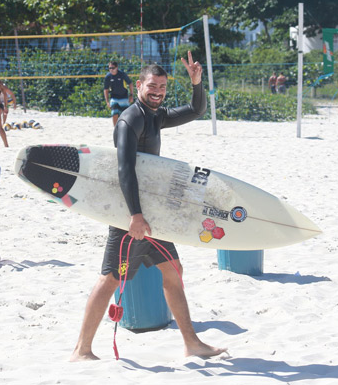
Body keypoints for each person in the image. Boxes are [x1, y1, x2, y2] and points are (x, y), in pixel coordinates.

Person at [71, 52, 227, 362]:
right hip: (130, 215)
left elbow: (196, 109)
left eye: (162, 88)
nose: (157, 93)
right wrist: (135, 216)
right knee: (110, 278)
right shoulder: (131, 119)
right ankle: (81, 350)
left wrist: (197, 83)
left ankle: (191, 343)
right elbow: (124, 170)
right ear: (139, 85)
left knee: (173, 270)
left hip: (151, 214)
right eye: (152, 87)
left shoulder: (155, 115)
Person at [103, 61, 134, 126]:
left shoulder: (122, 74)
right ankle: (116, 129)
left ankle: (125, 129)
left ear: (117, 67)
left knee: (125, 115)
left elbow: (130, 84)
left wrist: (131, 95)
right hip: (114, 98)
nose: (111, 69)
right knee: (114, 113)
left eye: (113, 68)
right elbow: (106, 89)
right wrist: (107, 102)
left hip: (124, 97)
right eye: (110, 68)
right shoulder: (108, 76)